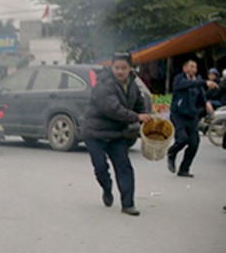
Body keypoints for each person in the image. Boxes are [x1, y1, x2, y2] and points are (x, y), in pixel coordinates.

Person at [82, 52, 152, 216]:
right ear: (112, 67)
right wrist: (136, 117)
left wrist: (145, 117)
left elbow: (139, 105)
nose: (120, 71)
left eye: (124, 68)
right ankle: (107, 187)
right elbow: (112, 109)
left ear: (130, 68)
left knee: (124, 167)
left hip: (116, 134)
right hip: (95, 132)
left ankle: (128, 204)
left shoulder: (133, 85)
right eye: (117, 68)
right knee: (100, 168)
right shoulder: (104, 85)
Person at [167, 59, 217, 178]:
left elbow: (202, 97)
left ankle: (184, 169)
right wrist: (204, 82)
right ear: (185, 68)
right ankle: (171, 152)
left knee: (194, 143)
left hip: (192, 117)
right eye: (191, 67)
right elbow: (186, 85)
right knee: (183, 139)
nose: (193, 69)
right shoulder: (179, 79)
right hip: (178, 115)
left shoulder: (197, 83)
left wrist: (207, 104)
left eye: (195, 67)